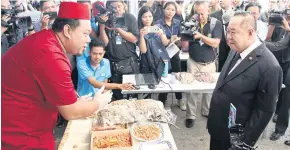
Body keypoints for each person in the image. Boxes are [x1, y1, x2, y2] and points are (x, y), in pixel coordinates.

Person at [1, 2, 112, 149]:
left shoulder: (46, 40)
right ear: (67, 30)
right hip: (22, 135)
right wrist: (99, 102)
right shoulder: (51, 54)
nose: (88, 39)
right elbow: (70, 112)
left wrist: (75, 99)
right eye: (85, 34)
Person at [207, 11, 283, 150]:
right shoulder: (235, 49)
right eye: (227, 32)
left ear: (250, 32)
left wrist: (243, 143)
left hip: (236, 139)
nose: (228, 37)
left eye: (233, 32)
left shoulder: (270, 66)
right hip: (218, 128)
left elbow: (264, 111)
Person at [185, 0, 222, 128]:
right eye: (197, 13)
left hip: (209, 63)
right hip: (193, 61)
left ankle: (206, 111)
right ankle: (190, 115)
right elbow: (184, 43)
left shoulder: (215, 23)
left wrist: (201, 36)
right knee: (192, 90)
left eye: (202, 13)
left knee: (208, 91)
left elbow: (216, 43)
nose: (199, 16)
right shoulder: (190, 22)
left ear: (208, 11)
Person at [99, 0, 140, 100]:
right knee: (117, 96)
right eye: (113, 7)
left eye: (119, 6)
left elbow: (134, 39)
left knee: (132, 95)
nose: (116, 9)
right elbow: (105, 44)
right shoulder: (106, 19)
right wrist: (101, 26)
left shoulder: (129, 18)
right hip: (113, 64)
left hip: (130, 62)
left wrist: (117, 29)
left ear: (124, 6)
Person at [155, 2, 184, 110]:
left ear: (175, 11)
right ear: (164, 10)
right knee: (164, 77)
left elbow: (181, 38)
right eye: (168, 9)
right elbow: (158, 40)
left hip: (174, 53)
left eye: (173, 10)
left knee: (177, 76)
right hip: (163, 54)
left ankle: (180, 99)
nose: (170, 12)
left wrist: (177, 40)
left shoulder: (177, 22)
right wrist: (168, 40)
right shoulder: (158, 23)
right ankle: (163, 101)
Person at [265, 19, 290, 146]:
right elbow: (278, 44)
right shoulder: (282, 27)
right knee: (286, 98)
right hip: (284, 64)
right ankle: (280, 129)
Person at [211, 0, 233, 71]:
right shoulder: (213, 16)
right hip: (219, 51)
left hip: (234, 50)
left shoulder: (237, 15)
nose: (220, 0)